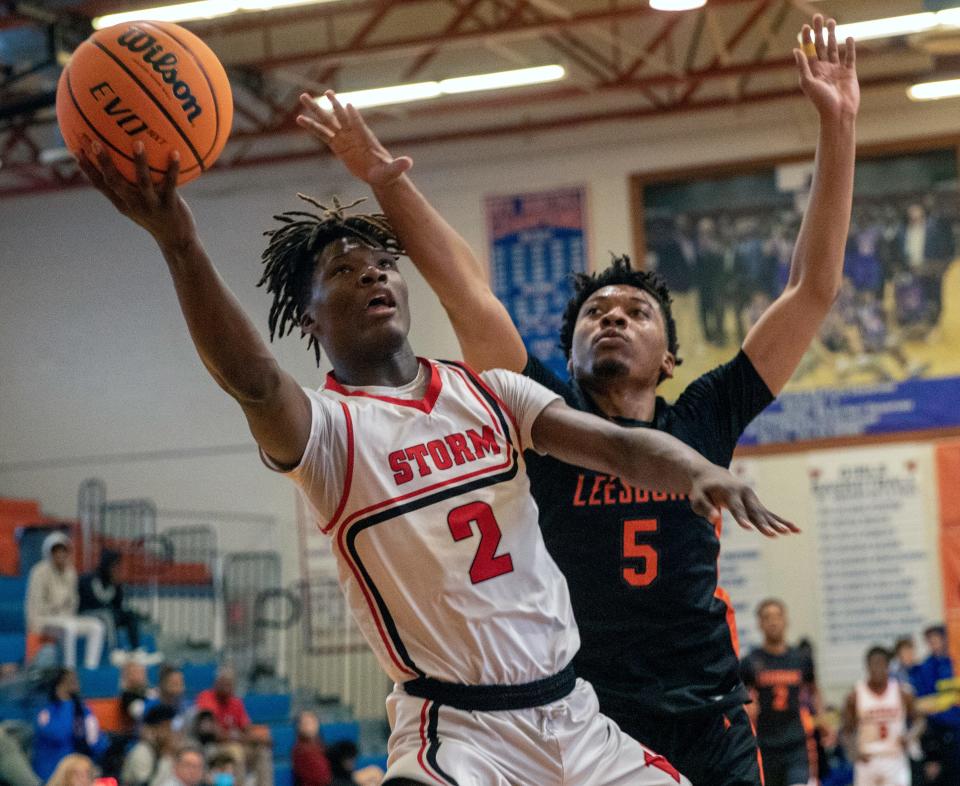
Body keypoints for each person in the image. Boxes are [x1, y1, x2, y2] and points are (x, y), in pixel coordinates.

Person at [78, 89, 795, 783]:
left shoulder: (491, 392)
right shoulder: (329, 435)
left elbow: (622, 448)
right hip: (459, 730)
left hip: (575, 713)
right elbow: (255, 381)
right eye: (343, 271)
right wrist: (180, 244)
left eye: (383, 264)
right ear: (308, 319)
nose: (372, 276)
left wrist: (696, 470)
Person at [300, 13, 857, 786]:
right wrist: (384, 180)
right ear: (565, 353)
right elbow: (465, 292)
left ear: (669, 360)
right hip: (585, 712)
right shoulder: (539, 414)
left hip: (707, 711)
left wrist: (840, 125)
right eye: (597, 312)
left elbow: (813, 288)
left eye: (636, 311)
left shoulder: (704, 416)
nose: (614, 318)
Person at [741, 599, 823, 786]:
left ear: (786, 620)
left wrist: (822, 719)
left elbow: (814, 690)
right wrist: (747, 708)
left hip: (796, 743)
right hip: (765, 744)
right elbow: (739, 696)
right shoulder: (750, 662)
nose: (773, 621)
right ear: (759, 624)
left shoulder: (800, 658)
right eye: (767, 617)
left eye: (777, 616)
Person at [26, 532, 105, 669]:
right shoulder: (38, 572)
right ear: (49, 553)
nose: (60, 555)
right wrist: (56, 606)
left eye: (64, 551)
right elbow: (37, 604)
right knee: (69, 628)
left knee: (97, 626)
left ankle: (91, 667)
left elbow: (73, 600)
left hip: (65, 617)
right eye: (57, 552)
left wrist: (65, 610)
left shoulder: (71, 572)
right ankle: (69, 669)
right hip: (43, 619)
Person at [842, 647, 919, 786]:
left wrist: (910, 736)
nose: (877, 668)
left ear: (888, 666)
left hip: (894, 757)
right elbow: (846, 730)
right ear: (867, 666)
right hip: (868, 758)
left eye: (881, 664)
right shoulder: (855, 695)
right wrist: (853, 751)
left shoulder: (902, 692)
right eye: (873, 664)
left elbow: (920, 720)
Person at [193, 666, 272, 786]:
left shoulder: (236, 702)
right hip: (212, 746)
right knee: (236, 751)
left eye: (230, 684)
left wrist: (259, 736)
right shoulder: (206, 697)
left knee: (263, 751)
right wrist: (243, 737)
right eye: (223, 683)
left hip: (235, 742)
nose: (227, 687)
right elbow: (214, 733)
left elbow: (247, 728)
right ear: (216, 683)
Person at [79, 550, 159, 666]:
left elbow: (118, 605)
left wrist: (118, 586)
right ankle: (114, 651)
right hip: (88, 613)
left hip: (108, 614)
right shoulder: (89, 579)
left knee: (129, 615)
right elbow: (88, 602)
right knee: (107, 615)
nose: (117, 569)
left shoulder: (114, 582)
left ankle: (135, 651)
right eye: (115, 565)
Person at [33, 668, 109, 780]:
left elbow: (97, 742)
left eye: (75, 679)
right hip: (52, 770)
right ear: (59, 684)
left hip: (81, 768)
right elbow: (58, 734)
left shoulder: (82, 709)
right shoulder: (46, 710)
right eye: (70, 680)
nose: (75, 683)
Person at [120, 703, 179, 786]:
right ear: (154, 729)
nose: (171, 733)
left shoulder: (169, 751)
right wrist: (166, 757)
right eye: (166, 727)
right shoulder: (142, 751)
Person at [144, 665, 190, 734]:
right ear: (163, 685)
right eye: (175, 684)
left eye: (181, 683)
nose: (180, 688)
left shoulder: (187, 706)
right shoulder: (150, 707)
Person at [291, 711, 331, 786]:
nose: (309, 726)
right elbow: (322, 778)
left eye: (313, 722)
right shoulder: (301, 750)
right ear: (299, 726)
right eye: (306, 723)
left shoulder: (321, 745)